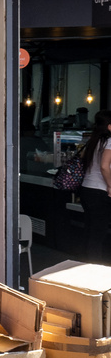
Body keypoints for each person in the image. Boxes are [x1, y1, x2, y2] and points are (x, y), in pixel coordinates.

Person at [78, 110, 111, 262]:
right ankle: (94, 268)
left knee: (90, 230)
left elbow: (84, 159)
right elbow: (104, 166)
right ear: (109, 126)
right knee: (98, 233)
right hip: (100, 191)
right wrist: (110, 186)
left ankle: (85, 264)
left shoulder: (93, 140)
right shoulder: (109, 141)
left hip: (86, 188)